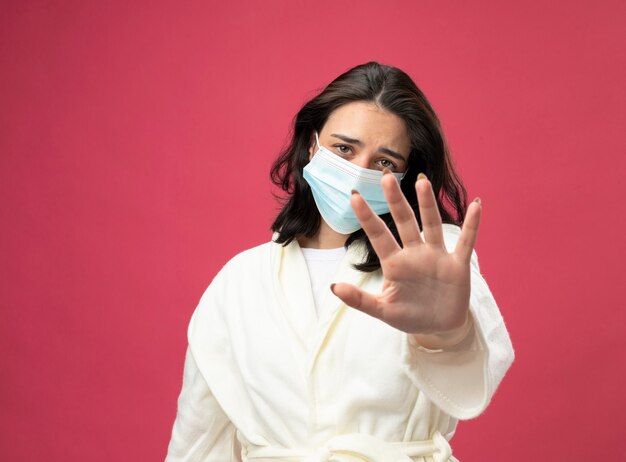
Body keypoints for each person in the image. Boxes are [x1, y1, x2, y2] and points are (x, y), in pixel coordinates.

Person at [165, 62, 514, 462]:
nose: (357, 172)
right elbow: (199, 442)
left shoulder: (434, 258)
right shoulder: (239, 281)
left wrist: (446, 335)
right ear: (312, 145)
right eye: (344, 149)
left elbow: (469, 376)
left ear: (404, 175)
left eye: (385, 162)